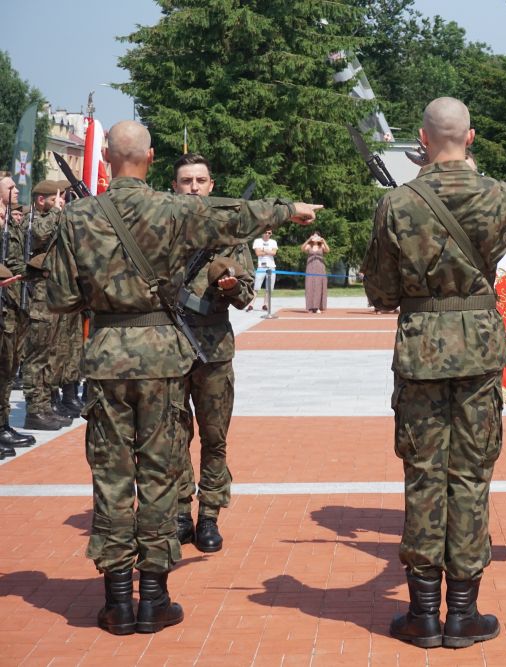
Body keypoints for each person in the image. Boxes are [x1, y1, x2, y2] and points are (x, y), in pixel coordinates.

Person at [45, 120, 320, 636]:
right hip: (165, 360)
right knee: (159, 474)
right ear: (150, 158)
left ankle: (115, 603)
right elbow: (235, 217)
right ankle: (153, 598)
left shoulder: (79, 216)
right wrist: (290, 211)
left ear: (106, 158)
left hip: (106, 357)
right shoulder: (173, 210)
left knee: (110, 477)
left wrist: (105, 287)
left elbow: (60, 299)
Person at [362, 97, 506, 649]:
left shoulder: (397, 202)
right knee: (469, 477)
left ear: (422, 137)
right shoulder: (503, 196)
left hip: (420, 349)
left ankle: (421, 614)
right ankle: (463, 613)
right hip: (480, 351)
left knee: (423, 476)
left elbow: (381, 292)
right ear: (470, 137)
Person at [171, 153, 257, 554]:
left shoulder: (231, 235)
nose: (193, 187)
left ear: (211, 185)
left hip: (213, 351)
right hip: (169, 347)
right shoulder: (160, 229)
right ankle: (177, 512)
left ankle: (209, 515)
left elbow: (245, 296)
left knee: (213, 437)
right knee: (172, 436)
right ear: (174, 186)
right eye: (186, 180)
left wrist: (229, 286)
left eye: (200, 180)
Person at [21, 180, 74, 431]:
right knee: (37, 355)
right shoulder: (30, 219)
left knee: (51, 353)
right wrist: (56, 211)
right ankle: (34, 410)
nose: (60, 202)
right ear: (41, 200)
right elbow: (39, 234)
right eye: (55, 198)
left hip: (54, 292)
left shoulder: (53, 218)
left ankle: (44, 406)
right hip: (39, 295)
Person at [0, 176, 30, 456]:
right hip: (4, 304)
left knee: (8, 368)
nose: (17, 190)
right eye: (10, 187)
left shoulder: (10, 223)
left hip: (13, 304)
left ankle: (3, 423)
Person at [249, 227, 278, 311]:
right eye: (266, 232)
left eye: (269, 233)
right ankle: (251, 304)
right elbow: (258, 253)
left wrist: (264, 250)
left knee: (269, 288)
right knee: (256, 287)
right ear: (262, 232)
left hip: (271, 267)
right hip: (261, 267)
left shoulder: (273, 242)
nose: (267, 234)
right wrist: (268, 251)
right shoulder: (257, 241)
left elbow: (274, 253)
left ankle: (265, 304)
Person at [300, 232, 330, 313]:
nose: (315, 237)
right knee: (309, 286)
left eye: (317, 236)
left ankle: (317, 307)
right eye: (314, 235)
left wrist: (324, 241)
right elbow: (302, 249)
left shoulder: (321, 245)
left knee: (319, 286)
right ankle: (310, 307)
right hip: (310, 267)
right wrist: (308, 240)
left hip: (320, 267)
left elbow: (327, 250)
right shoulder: (309, 245)